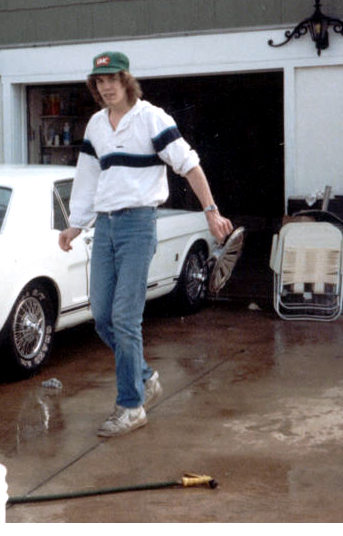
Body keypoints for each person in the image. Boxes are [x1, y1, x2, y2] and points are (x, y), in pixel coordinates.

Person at [58, 51, 234, 438]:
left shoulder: (152, 118)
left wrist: (211, 211)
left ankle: (131, 406)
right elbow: (87, 177)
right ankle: (143, 377)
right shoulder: (96, 125)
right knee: (102, 315)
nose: (105, 87)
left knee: (125, 317)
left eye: (112, 80)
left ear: (126, 81)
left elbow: (189, 164)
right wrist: (75, 225)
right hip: (103, 228)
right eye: (99, 82)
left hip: (139, 225)